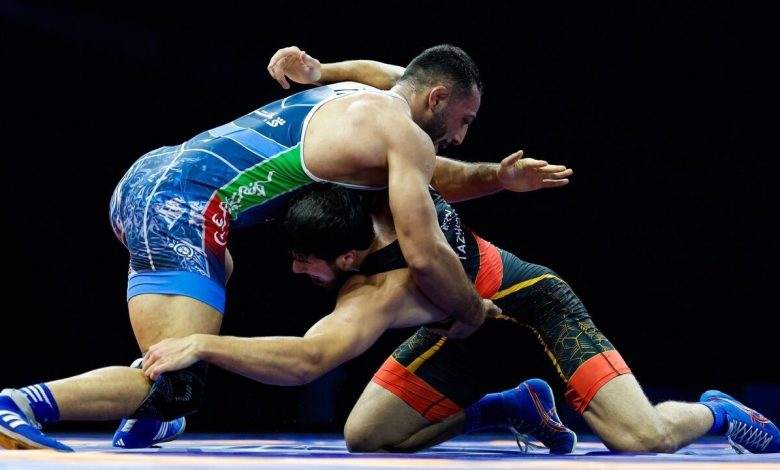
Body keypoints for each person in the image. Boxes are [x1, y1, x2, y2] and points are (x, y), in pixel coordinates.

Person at [0, 44, 573, 452]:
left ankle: (153, 418)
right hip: (182, 206)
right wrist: (470, 312)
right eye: (464, 119)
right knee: (173, 375)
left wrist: (321, 71)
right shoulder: (405, 137)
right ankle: (19, 404)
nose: (461, 136)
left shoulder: (370, 93)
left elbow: (384, 78)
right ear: (437, 97)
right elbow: (425, 253)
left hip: (151, 175)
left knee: (216, 275)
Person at [140, 183, 780, 456]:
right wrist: (321, 72)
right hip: (465, 328)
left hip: (533, 307)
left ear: (349, 256)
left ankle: (720, 413)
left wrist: (204, 344)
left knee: (642, 439)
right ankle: (510, 406)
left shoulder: (378, 291)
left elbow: (307, 361)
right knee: (368, 435)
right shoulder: (391, 188)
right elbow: (402, 91)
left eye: (307, 262)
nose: (297, 271)